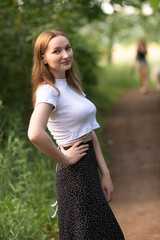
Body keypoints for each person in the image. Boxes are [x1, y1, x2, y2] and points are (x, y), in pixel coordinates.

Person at [28, 29, 125, 240]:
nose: (66, 55)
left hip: (88, 167)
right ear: (43, 58)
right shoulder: (48, 90)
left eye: (68, 48)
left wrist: (105, 172)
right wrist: (64, 158)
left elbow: (90, 131)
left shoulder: (73, 85)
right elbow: (35, 133)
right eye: (57, 51)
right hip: (74, 174)